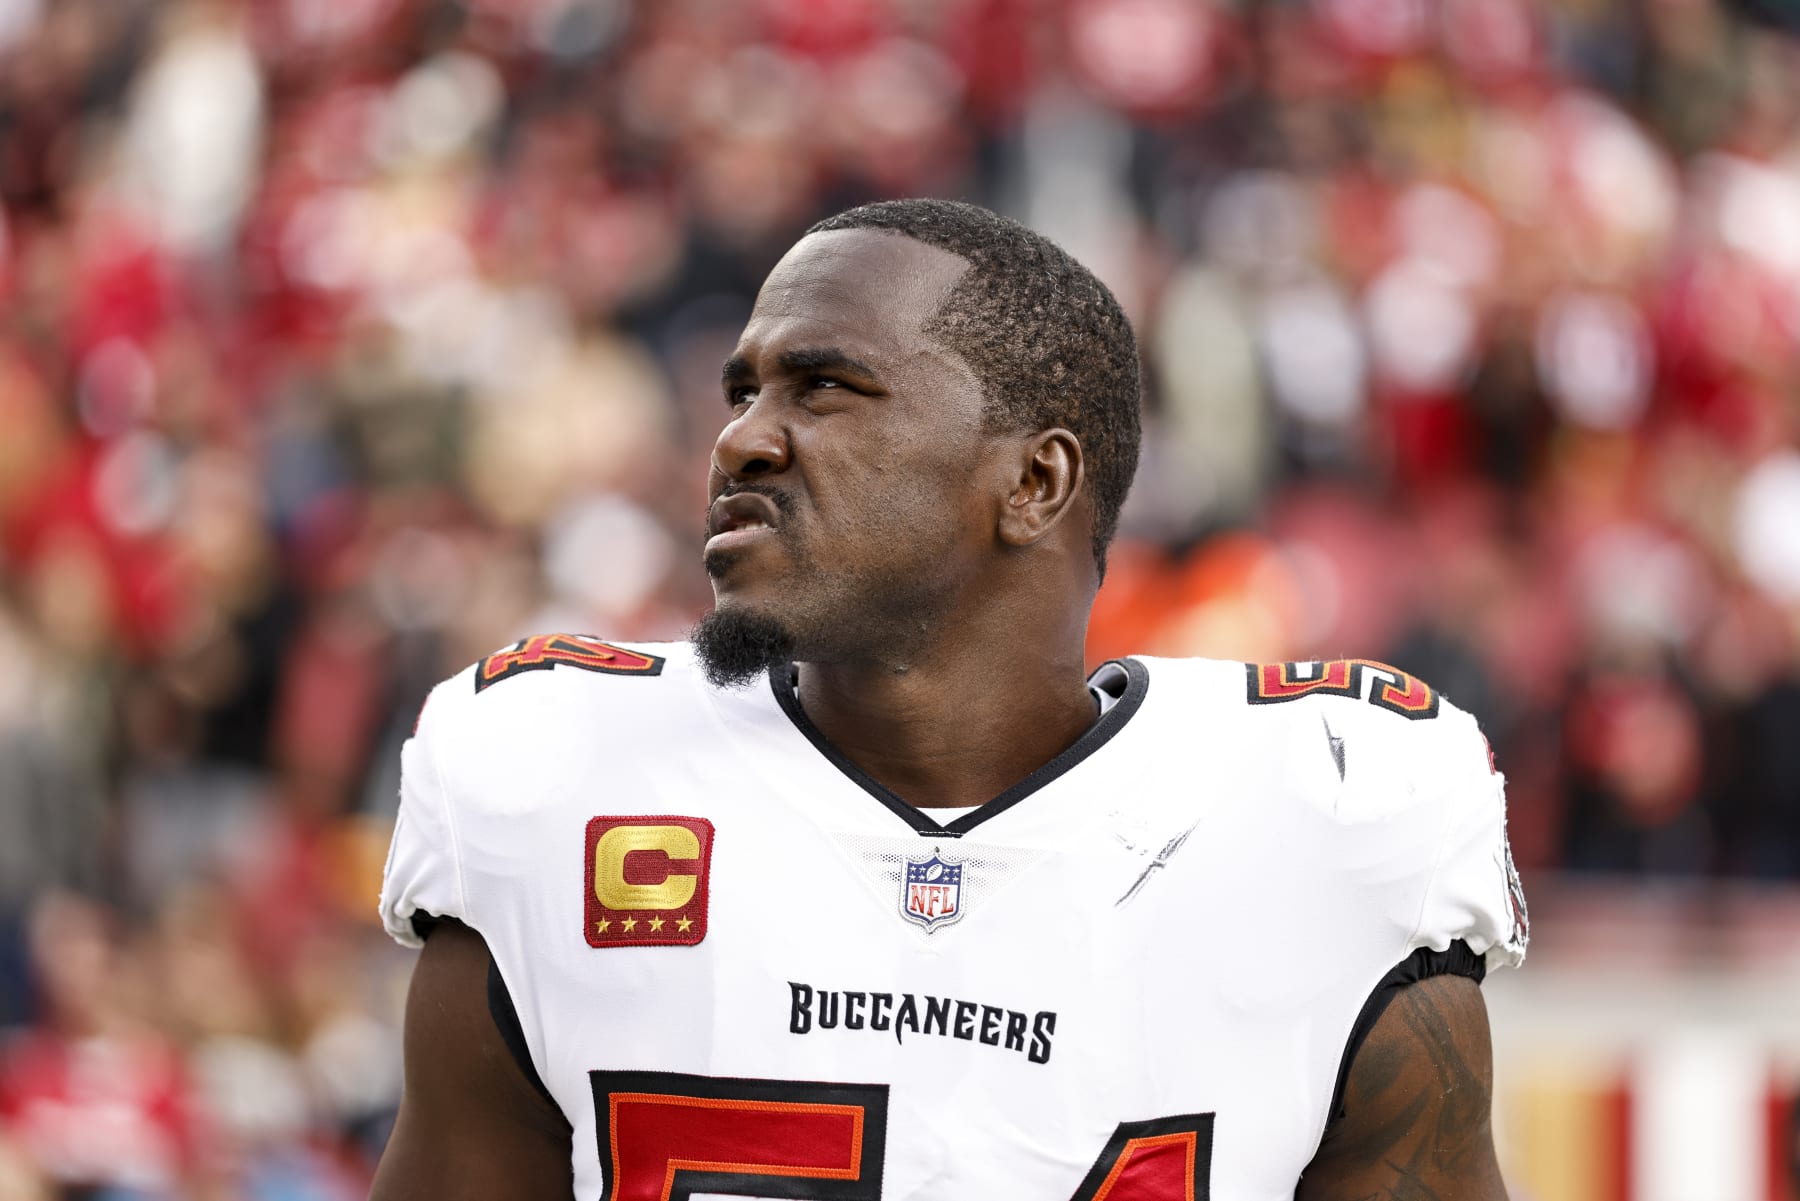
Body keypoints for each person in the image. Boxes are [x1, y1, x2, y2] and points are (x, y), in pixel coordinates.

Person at [370, 198, 1527, 1200]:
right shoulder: (554, 779)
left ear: (1035, 480)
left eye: (824, 387)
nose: (741, 439)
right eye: (742, 389)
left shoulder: (1328, 815)